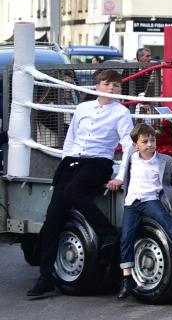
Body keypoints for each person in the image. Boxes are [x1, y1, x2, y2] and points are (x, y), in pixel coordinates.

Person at [27, 69, 134, 298]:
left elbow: (128, 147)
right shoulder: (82, 108)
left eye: (117, 86)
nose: (113, 89)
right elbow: (71, 139)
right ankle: (45, 276)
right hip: (73, 161)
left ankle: (107, 232)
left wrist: (120, 176)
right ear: (97, 87)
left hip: (98, 162)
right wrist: (65, 164)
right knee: (53, 216)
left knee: (73, 192)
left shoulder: (122, 113)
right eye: (108, 84)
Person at [117, 123, 172, 300]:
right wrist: (116, 181)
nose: (150, 145)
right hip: (131, 201)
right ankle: (127, 279)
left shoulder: (164, 160)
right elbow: (123, 174)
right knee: (126, 237)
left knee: (165, 219)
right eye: (145, 142)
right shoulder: (131, 157)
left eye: (152, 140)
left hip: (150, 199)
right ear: (136, 144)